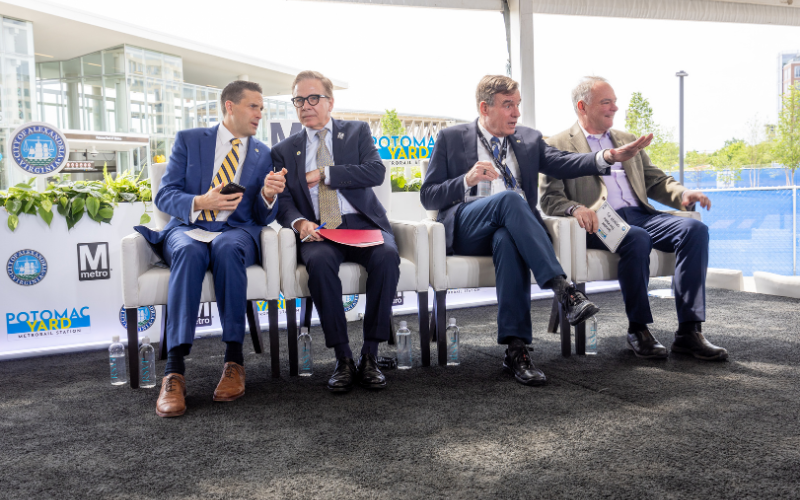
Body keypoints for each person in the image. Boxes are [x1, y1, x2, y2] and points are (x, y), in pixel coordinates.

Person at [421, 75, 654, 386]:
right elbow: (429, 195)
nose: (517, 113)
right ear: (484, 107)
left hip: (513, 230)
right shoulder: (451, 138)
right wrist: (466, 180)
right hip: (467, 227)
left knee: (508, 238)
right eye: (508, 106)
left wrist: (608, 156)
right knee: (509, 200)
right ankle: (564, 290)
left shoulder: (527, 139)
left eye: (518, 105)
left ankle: (516, 351)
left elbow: (565, 162)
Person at [541, 76, 727, 361]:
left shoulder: (628, 141)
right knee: (636, 238)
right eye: (606, 102)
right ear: (582, 106)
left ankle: (689, 331)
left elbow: (656, 181)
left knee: (694, 229)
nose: (615, 108)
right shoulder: (555, 144)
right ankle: (638, 329)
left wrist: (683, 194)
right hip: (599, 222)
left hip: (641, 215)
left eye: (615, 101)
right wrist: (576, 208)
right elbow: (550, 198)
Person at [135, 80, 287, 417]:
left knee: (228, 248)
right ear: (229, 107)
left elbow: (263, 216)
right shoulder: (190, 141)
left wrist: (269, 195)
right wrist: (201, 201)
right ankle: (173, 372)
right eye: (253, 106)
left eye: (262, 108)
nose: (259, 114)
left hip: (236, 232)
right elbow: (164, 194)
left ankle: (234, 361)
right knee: (188, 252)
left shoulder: (263, 154)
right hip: (189, 228)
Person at [272, 70, 400, 393]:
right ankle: (343, 358)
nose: (306, 105)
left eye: (313, 98)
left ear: (330, 101)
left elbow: (376, 171)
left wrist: (327, 173)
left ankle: (370, 354)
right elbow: (284, 202)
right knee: (319, 263)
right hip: (320, 229)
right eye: (299, 99)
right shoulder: (285, 150)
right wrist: (300, 223)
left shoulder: (356, 132)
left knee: (386, 256)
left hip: (362, 224)